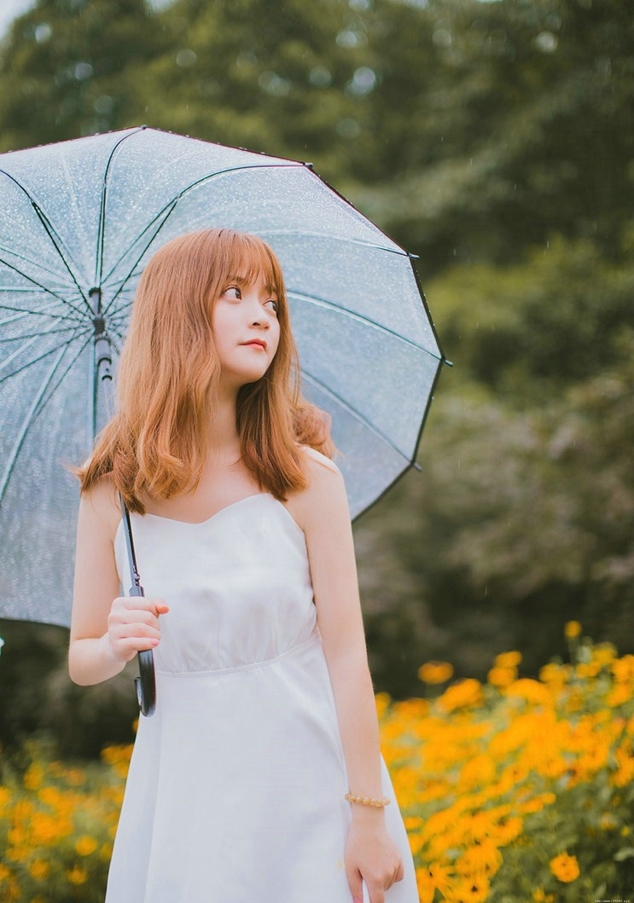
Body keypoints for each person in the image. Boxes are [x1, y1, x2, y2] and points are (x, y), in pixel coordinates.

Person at [69, 229, 419, 903]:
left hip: (311, 787)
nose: (265, 315)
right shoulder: (112, 490)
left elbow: (348, 659)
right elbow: (83, 656)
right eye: (236, 293)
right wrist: (115, 640)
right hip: (184, 801)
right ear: (177, 314)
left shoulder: (306, 479)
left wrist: (368, 817)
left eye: (272, 300)